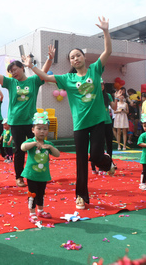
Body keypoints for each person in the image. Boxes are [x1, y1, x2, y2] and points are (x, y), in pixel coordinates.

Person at [25, 16, 116, 210]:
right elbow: (44, 76)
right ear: (71, 62)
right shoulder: (67, 78)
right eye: (72, 57)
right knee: (81, 161)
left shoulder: (95, 71)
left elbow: (108, 51)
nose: (75, 58)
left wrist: (106, 31)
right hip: (80, 124)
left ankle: (107, 163)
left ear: (84, 57)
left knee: (97, 155)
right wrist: (31, 66)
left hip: (99, 120)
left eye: (78, 55)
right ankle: (81, 197)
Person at [0, 46, 55, 187]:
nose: (13, 73)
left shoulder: (34, 81)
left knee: (37, 147)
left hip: (31, 122)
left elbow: (43, 73)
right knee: (19, 150)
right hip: (16, 122)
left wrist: (50, 58)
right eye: (11, 72)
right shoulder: (11, 83)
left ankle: (38, 174)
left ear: (22, 68)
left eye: (15, 70)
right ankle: (19, 177)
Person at [20, 112, 61, 223]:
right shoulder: (30, 141)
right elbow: (22, 147)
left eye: (45, 129)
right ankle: (32, 213)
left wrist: (50, 147)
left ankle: (40, 210)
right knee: (32, 194)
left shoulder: (48, 143)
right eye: (39, 128)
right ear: (33, 130)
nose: (42, 131)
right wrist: (33, 144)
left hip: (43, 175)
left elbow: (57, 154)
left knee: (41, 193)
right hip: (31, 174)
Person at [91, 79, 117, 174]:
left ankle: (109, 163)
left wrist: (116, 98)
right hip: (98, 123)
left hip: (107, 122)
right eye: (99, 84)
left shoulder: (108, 95)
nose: (101, 86)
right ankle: (100, 165)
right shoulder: (93, 95)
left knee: (109, 144)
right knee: (99, 145)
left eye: (102, 84)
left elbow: (114, 107)